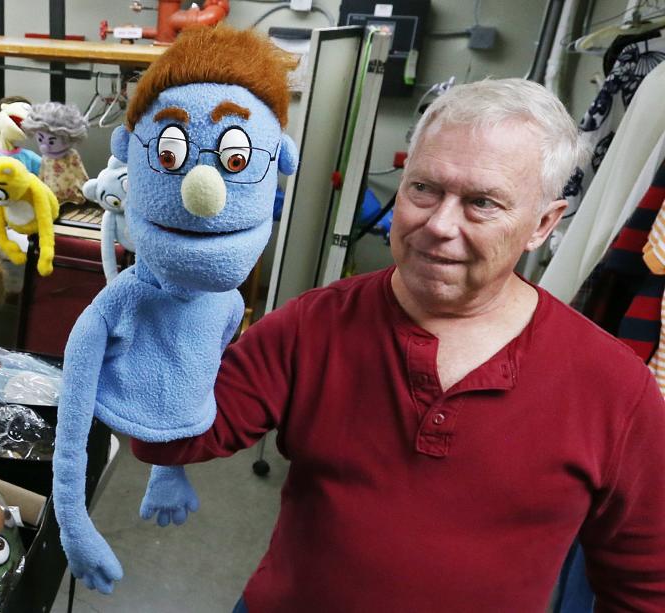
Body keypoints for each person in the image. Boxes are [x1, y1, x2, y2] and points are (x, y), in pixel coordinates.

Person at [131, 78, 665, 612]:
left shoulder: (613, 387)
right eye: (424, 189)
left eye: (481, 203)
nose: (439, 225)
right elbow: (167, 440)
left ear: (543, 224)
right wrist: (177, 279)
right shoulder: (312, 325)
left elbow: (644, 585)